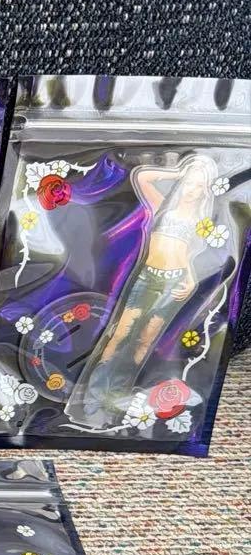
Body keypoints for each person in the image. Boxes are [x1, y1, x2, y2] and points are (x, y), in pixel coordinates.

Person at [65, 155, 219, 427]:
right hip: (148, 278)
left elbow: (186, 253)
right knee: (119, 335)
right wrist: (180, 173)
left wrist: (191, 279)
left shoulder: (200, 219)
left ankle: (115, 399)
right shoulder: (163, 206)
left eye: (199, 185)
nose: (192, 190)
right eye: (189, 183)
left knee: (144, 342)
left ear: (205, 190)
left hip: (174, 283)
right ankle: (91, 400)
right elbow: (141, 177)